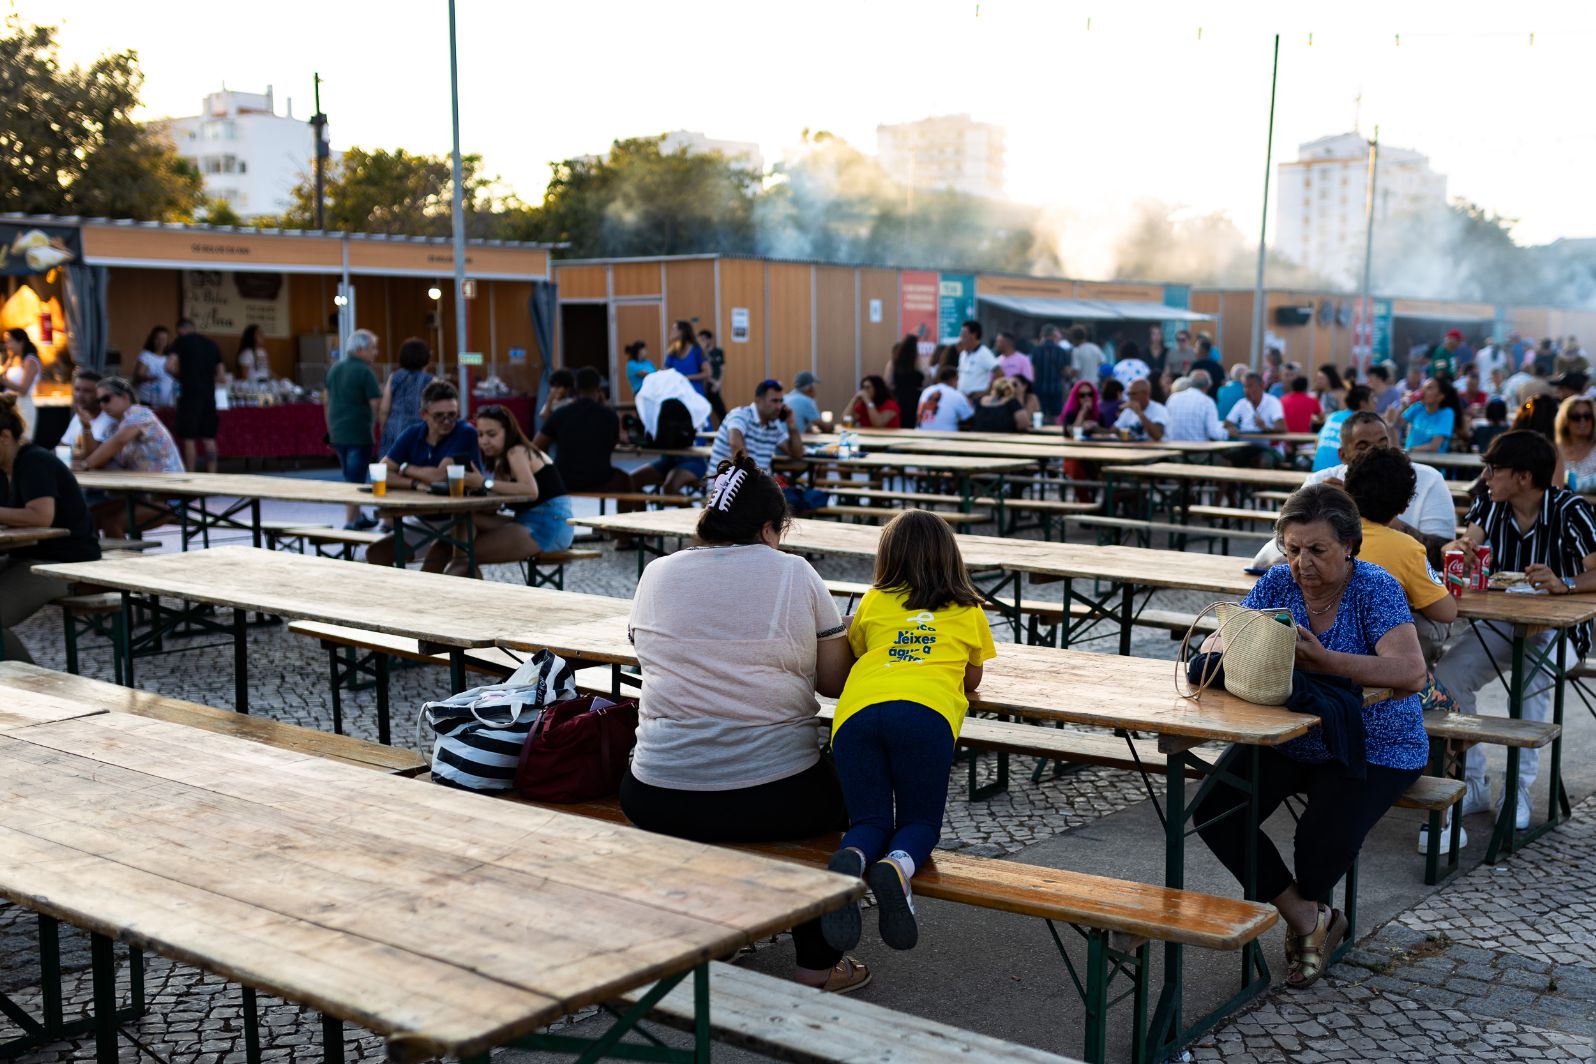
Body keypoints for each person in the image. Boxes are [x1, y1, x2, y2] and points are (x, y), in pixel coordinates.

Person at [621, 451, 866, 992]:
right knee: (838, 797)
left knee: (707, 804)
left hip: (657, 788)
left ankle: (708, 935)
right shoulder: (793, 573)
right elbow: (832, 683)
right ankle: (817, 964)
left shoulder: (656, 573)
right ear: (766, 528)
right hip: (776, 792)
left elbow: (649, 655)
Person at [1194, 484, 1428, 989]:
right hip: (1291, 737)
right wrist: (1219, 644)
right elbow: (1228, 636)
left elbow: (1411, 673)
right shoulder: (1277, 584)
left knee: (1319, 842)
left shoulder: (1375, 587)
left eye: (1318, 550)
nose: (1303, 563)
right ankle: (1307, 917)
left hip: (1377, 743)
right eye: (1294, 548)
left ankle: (1311, 908)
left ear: (1349, 546)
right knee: (1215, 810)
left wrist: (1325, 662)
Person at [821, 510, 995, 952]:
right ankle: (898, 868)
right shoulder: (969, 608)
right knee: (919, 821)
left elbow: (857, 653)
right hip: (924, 715)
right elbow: (972, 680)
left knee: (869, 820)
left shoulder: (875, 601)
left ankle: (853, 858)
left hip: (858, 714)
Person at [1435, 431, 1596, 830]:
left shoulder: (1569, 509)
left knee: (1532, 676)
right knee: (1449, 677)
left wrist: (1566, 583)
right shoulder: (1491, 505)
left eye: (1494, 469)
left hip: (1564, 630)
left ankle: (1517, 788)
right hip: (1503, 621)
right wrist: (1458, 549)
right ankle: (1473, 783)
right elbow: (1465, 543)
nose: (1486, 477)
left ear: (1523, 477)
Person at [0, 394, 101, 663]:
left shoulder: (35, 462)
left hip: (63, 562)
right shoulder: (4, 470)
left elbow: (41, 516)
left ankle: (30, 691)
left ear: (4, 437)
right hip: (25, 557)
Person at [1343, 447, 1458, 663]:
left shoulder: (1331, 535)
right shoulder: (1407, 548)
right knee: (1436, 624)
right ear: (1405, 506)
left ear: (1347, 491)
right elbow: (1447, 612)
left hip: (1334, 645)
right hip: (1384, 654)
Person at [367, 380, 483, 570]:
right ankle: (396, 597)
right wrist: (414, 483)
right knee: (376, 553)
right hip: (423, 519)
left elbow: (438, 476)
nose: (447, 421)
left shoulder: (465, 432)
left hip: (458, 519)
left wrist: (404, 468)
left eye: (452, 415)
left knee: (431, 568)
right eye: (439, 416)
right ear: (424, 414)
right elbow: (381, 473)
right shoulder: (413, 433)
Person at [451, 404, 572, 575]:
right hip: (527, 519)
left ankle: (437, 593)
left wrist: (484, 483)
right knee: (465, 522)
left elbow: (531, 491)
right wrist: (477, 488)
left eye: (491, 434)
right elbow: (494, 508)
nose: (484, 441)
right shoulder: (500, 462)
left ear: (508, 432)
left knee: (464, 555)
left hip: (548, 524)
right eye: (480, 434)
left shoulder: (517, 451)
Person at [324, 328, 383, 530]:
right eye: (373, 348)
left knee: (349, 474)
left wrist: (330, 429)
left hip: (338, 432)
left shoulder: (334, 368)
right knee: (356, 479)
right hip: (359, 433)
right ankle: (350, 521)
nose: (375, 353)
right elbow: (376, 402)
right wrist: (379, 424)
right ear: (360, 349)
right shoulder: (365, 372)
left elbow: (326, 401)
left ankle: (357, 516)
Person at [165, 319, 226, 473]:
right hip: (209, 396)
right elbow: (221, 376)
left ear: (181, 330)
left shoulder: (181, 342)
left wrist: (181, 376)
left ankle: (191, 474)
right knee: (209, 438)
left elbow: (168, 366)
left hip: (189, 395)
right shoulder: (212, 344)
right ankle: (212, 474)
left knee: (189, 438)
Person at [709, 378, 805, 474]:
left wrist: (791, 425)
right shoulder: (740, 414)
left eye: (781, 401)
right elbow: (735, 444)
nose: (779, 407)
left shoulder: (773, 426)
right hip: (726, 487)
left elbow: (797, 454)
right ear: (758, 400)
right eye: (774, 401)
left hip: (755, 485)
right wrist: (758, 482)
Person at [378, 337, 434, 457]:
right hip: (420, 428)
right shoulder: (430, 380)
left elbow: (384, 409)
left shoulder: (394, 377)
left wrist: (384, 427)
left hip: (394, 427)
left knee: (390, 466)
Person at [1311, 384, 1373, 472]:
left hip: (1316, 472)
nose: (1376, 403)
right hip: (1339, 476)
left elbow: (1316, 443)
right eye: (1373, 399)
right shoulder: (1362, 422)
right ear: (1363, 404)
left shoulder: (1333, 416)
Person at [59, 369, 117, 460]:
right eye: (77, 389)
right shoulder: (78, 416)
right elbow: (62, 447)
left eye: (87, 391)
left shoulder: (110, 421)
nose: (79, 395)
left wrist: (86, 427)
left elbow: (92, 456)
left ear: (100, 394)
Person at [1394, 377, 1458, 453]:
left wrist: (1409, 450)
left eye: (1429, 388)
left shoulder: (1446, 413)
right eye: (1422, 387)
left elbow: (1434, 446)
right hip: (1411, 458)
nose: (1422, 391)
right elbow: (1398, 423)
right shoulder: (1418, 406)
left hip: (1433, 462)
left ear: (1440, 397)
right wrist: (1402, 406)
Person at [1166, 370, 1227, 442]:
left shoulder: (1173, 398)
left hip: (1173, 448)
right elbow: (1214, 433)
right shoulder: (1207, 401)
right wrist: (1227, 433)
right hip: (1197, 450)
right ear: (1208, 385)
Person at [2, 329, 43, 433]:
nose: (7, 345)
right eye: (6, 342)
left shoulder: (30, 361)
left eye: (10, 341)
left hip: (23, 406)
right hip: (9, 407)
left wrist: (5, 382)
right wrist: (9, 361)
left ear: (21, 342)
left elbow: (24, 389)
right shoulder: (13, 359)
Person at [1030, 325, 1070, 423]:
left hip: (1040, 387)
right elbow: (1066, 372)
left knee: (1041, 415)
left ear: (1042, 335)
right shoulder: (1061, 351)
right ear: (1053, 335)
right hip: (1056, 387)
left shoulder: (1036, 350)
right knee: (1055, 415)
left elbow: (1033, 371)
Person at [916, 365, 974, 431]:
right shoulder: (956, 394)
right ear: (953, 379)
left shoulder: (927, 391)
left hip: (921, 434)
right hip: (945, 438)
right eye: (957, 380)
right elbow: (970, 419)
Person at [883, 335, 925, 424]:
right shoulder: (918, 362)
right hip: (915, 399)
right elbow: (927, 378)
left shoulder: (894, 363)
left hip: (899, 398)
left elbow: (887, 383)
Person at [1556, 394, 1596, 486]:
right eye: (1575, 417)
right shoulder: (1554, 451)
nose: (1582, 421)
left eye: (1587, 416)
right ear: (1565, 421)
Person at [1111, 377, 1168, 441]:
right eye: (1129, 394)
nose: (1130, 397)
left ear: (1146, 394)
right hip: (1134, 449)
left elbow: (1158, 435)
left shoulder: (1159, 409)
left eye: (1134, 394)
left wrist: (1140, 413)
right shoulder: (1128, 411)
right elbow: (1113, 430)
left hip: (1155, 450)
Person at [664, 320, 709, 397]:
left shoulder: (696, 350)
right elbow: (666, 371)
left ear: (682, 332)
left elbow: (707, 373)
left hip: (694, 393)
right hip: (677, 393)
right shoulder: (672, 351)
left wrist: (687, 377)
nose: (671, 331)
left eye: (674, 329)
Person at [134, 325, 175, 407]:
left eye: (164, 339)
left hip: (166, 403)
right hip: (147, 401)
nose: (161, 342)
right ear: (152, 340)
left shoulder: (169, 358)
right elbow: (139, 375)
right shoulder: (146, 355)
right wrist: (151, 377)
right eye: (157, 339)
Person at [954, 320, 998, 397]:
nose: (961, 336)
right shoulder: (963, 353)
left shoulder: (984, 353)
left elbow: (1000, 373)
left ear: (974, 335)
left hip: (976, 400)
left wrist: (986, 392)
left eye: (964, 333)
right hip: (962, 397)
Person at [699, 329, 726, 420]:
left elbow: (722, 369)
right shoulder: (700, 353)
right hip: (704, 386)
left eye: (705, 338)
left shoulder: (718, 352)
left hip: (715, 387)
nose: (704, 341)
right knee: (702, 411)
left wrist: (718, 383)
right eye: (701, 339)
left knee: (722, 411)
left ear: (710, 339)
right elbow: (703, 371)